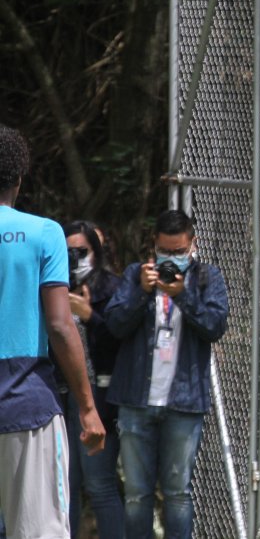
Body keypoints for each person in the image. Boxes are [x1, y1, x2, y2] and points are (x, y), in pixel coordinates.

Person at [0, 124, 105, 539]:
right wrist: (87, 406)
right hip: (28, 403)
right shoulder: (44, 233)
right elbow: (61, 325)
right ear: (20, 178)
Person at [106, 209, 229, 539]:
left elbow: (215, 327)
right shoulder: (136, 276)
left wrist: (183, 296)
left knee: (177, 494)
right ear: (154, 246)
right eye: (165, 250)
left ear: (193, 245)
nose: (171, 258)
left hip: (184, 403)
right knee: (136, 495)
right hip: (135, 400)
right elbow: (114, 325)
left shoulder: (206, 278)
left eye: (178, 251)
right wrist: (141, 293)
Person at [58, 220, 125, 539]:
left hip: (97, 396)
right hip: (59, 394)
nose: (75, 259)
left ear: (96, 253)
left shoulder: (111, 287)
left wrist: (88, 315)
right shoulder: (51, 287)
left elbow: (121, 339)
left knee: (99, 484)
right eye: (67, 252)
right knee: (63, 486)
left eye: (81, 252)